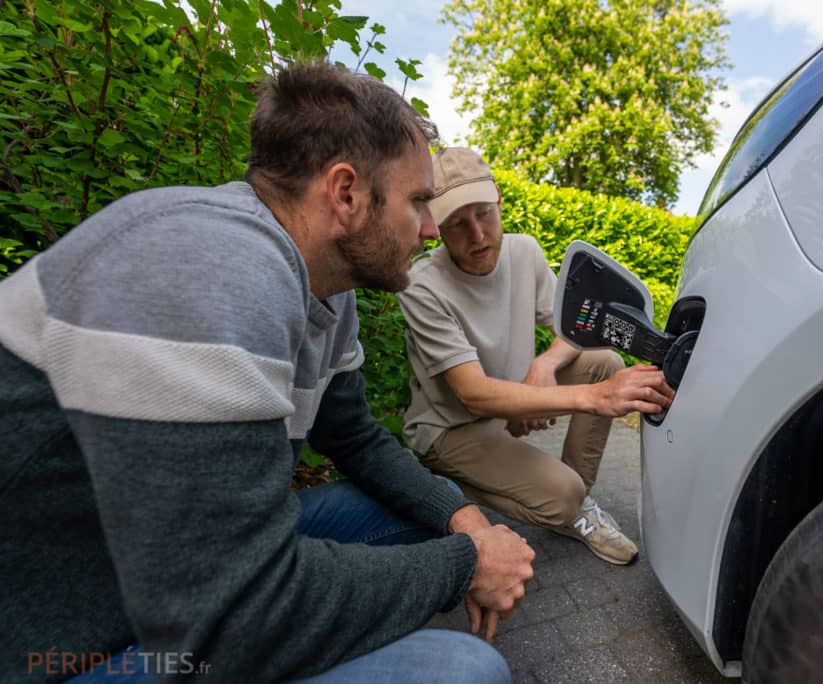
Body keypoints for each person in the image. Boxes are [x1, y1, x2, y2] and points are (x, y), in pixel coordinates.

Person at [0, 63, 534, 684]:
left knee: (420, 512)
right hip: (60, 638)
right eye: (418, 201)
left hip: (171, 571)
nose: (428, 228)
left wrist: (462, 520)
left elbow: (355, 438)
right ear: (345, 193)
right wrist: (463, 566)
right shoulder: (211, 273)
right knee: (464, 671)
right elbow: (241, 610)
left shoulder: (328, 292)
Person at [398, 147, 675, 566]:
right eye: (457, 224)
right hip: (451, 428)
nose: (477, 235)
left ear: (499, 204)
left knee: (604, 361)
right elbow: (473, 394)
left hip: (507, 400)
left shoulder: (524, 252)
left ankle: (574, 503)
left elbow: (573, 332)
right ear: (436, 227)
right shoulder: (422, 286)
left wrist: (544, 365)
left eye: (483, 214)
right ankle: (444, 484)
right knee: (560, 495)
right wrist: (595, 397)